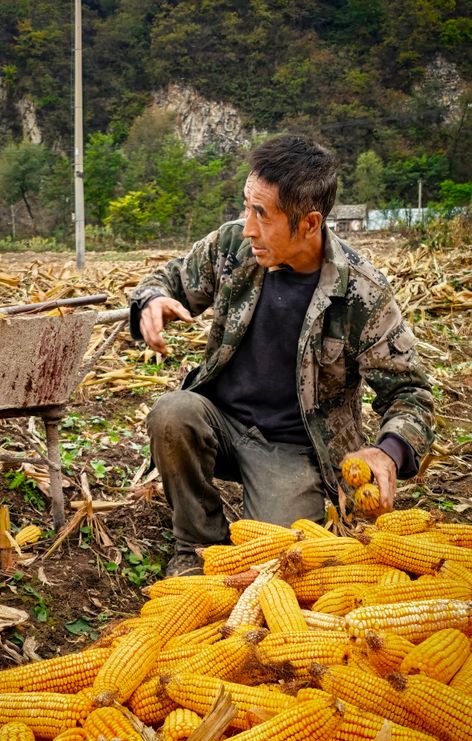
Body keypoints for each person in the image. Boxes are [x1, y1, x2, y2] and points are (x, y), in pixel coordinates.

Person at [129, 134, 434, 576]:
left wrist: (388, 452)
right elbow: (169, 278)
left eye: (262, 214)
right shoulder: (234, 246)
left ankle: (270, 522)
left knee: (284, 559)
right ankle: (196, 544)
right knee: (173, 413)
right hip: (221, 422)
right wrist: (152, 300)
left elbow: (411, 391)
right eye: (245, 207)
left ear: (309, 223)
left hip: (294, 446)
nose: (247, 226)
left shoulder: (361, 292)